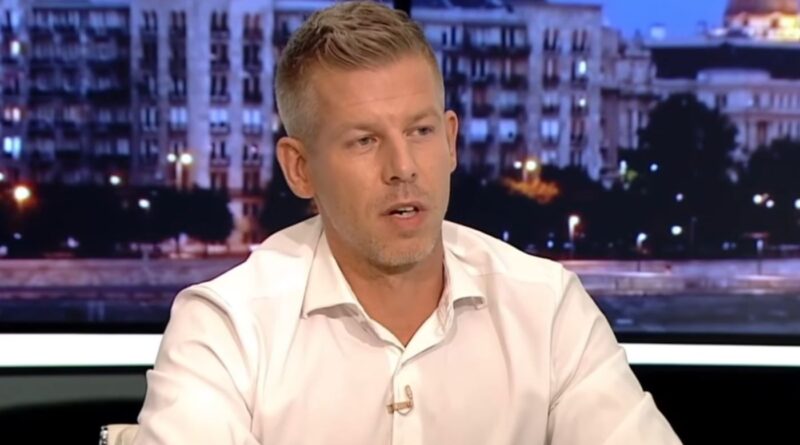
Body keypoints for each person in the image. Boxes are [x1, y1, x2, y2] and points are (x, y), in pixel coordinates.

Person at [134, 2, 681, 444]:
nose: (403, 167)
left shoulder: (548, 308)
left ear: (451, 140)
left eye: (420, 132)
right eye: (364, 140)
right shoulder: (224, 329)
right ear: (300, 169)